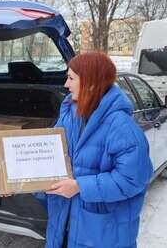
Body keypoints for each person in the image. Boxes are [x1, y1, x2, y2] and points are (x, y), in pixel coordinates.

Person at [44, 51, 153, 247]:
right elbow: (49, 156)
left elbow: (133, 180)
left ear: (91, 83)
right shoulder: (70, 115)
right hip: (64, 226)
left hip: (102, 234)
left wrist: (80, 186)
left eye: (71, 78)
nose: (66, 85)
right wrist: (15, 182)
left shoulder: (122, 127)